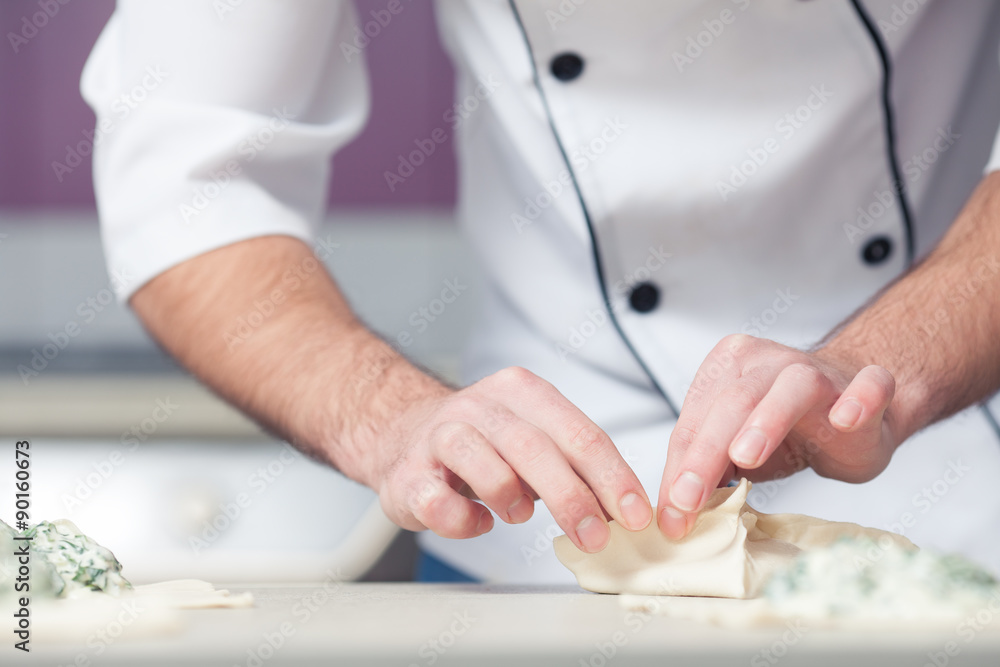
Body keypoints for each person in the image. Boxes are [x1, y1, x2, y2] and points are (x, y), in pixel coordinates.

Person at [82, 0, 1000, 582]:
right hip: (534, 524)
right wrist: (388, 416)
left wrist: (885, 364)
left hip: (954, 492)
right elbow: (190, 178)